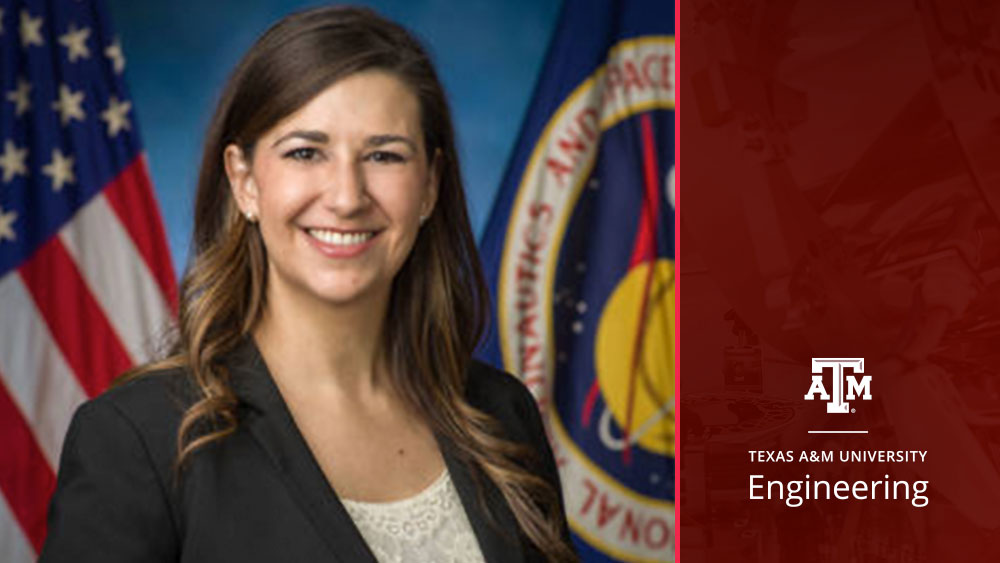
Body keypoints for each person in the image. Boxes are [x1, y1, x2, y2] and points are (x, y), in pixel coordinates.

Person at [39, 6, 577, 563]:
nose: (347, 196)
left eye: (384, 155)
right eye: (305, 152)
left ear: (430, 187)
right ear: (244, 182)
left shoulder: (501, 416)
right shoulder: (139, 438)